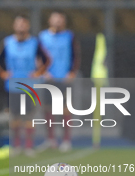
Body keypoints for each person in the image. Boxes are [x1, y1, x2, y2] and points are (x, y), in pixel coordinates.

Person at [0, 14, 49, 156]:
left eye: (24, 24)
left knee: (29, 116)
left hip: (29, 85)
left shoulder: (35, 43)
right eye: (18, 24)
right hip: (12, 85)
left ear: (27, 26)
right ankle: (16, 146)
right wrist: (3, 73)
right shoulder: (7, 42)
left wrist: (38, 72)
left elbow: (47, 59)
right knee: (15, 116)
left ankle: (29, 146)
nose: (21, 27)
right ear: (14, 26)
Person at [38, 11, 81, 152]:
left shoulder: (69, 36)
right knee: (48, 109)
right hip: (48, 78)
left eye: (60, 20)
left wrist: (72, 72)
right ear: (49, 21)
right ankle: (51, 139)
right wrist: (43, 72)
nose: (57, 22)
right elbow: (37, 56)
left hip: (64, 78)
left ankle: (66, 140)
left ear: (64, 22)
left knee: (65, 110)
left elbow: (76, 55)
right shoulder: (42, 36)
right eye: (55, 19)